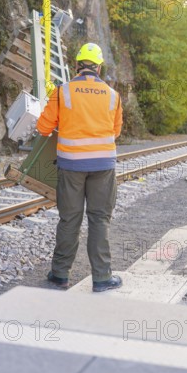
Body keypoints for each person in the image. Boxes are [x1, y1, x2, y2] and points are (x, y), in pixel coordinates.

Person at [36, 43, 123, 292]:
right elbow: (115, 131)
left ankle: (60, 275)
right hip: (103, 166)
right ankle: (102, 278)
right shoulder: (113, 95)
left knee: (69, 219)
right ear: (98, 67)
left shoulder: (63, 92)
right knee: (99, 219)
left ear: (76, 65)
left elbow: (43, 128)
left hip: (71, 166)